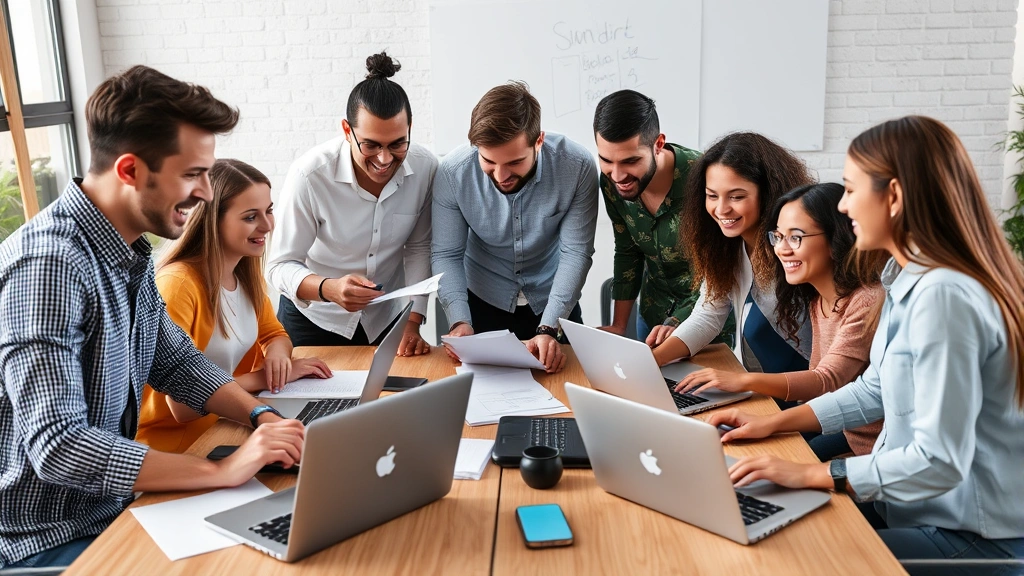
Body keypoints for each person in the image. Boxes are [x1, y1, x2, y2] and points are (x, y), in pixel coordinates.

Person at [0, 66, 304, 569]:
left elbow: (178, 362)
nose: (206, 192)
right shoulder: (50, 266)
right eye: (192, 174)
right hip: (46, 540)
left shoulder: (128, 252)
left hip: (114, 510)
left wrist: (263, 418)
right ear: (130, 171)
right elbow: (59, 445)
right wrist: (220, 472)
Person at [711, 116, 1024, 571]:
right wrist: (773, 423)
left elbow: (939, 460)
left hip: (969, 535)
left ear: (893, 196)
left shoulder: (945, 297)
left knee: (785, 560)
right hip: (918, 512)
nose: (843, 206)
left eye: (852, 189)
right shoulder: (908, 279)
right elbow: (874, 389)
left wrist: (817, 473)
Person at [676, 183, 885, 460]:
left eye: (796, 237)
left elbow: (826, 379)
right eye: (778, 236)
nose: (782, 249)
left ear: (836, 239)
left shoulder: (866, 301)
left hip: (873, 449)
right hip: (846, 431)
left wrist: (743, 381)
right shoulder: (817, 299)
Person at [137, 159, 332, 454]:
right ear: (213, 220)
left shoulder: (243, 274)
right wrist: (265, 378)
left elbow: (273, 334)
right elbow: (183, 407)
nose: (268, 226)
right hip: (180, 447)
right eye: (251, 217)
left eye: (268, 211)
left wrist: (278, 358)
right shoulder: (177, 286)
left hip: (226, 424)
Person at [267, 52, 435, 355]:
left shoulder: (426, 168)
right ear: (347, 131)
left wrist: (412, 322)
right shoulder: (310, 175)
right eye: (371, 145)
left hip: (387, 319)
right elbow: (279, 266)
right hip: (314, 318)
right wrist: (327, 288)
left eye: (398, 143)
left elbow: (419, 247)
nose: (385, 159)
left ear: (410, 127)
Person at [432, 81, 598, 373]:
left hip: (554, 302)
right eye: (488, 161)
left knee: (571, 387)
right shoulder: (453, 173)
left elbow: (576, 252)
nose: (501, 175)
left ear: (538, 141)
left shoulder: (577, 167)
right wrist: (460, 320)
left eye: (515, 162)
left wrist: (548, 328)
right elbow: (447, 253)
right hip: (482, 303)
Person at [649, 132, 815, 373]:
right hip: (752, 379)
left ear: (768, 194)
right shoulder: (725, 247)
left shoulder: (799, 249)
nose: (721, 209)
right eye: (712, 196)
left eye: (736, 197)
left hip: (804, 383)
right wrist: (651, 360)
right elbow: (707, 316)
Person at [592, 89, 732, 344]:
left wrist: (677, 322)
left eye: (630, 161)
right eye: (606, 160)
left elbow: (721, 266)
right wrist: (619, 325)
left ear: (658, 144)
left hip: (706, 320)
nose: (617, 175)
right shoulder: (611, 181)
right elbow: (627, 250)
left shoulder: (704, 179)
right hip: (652, 312)